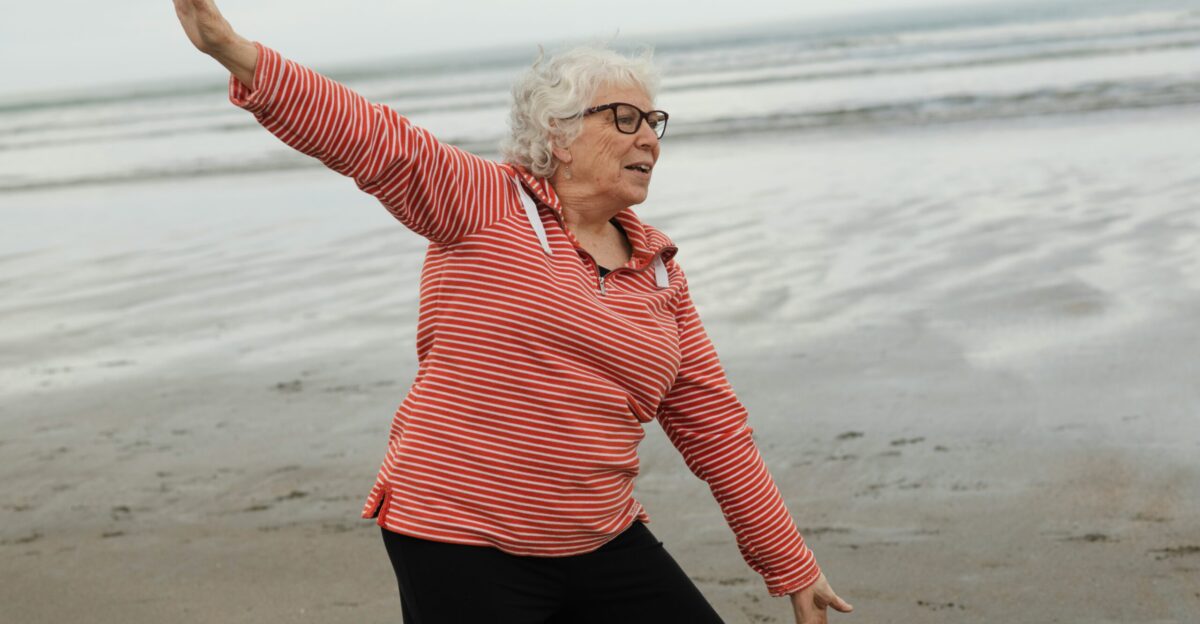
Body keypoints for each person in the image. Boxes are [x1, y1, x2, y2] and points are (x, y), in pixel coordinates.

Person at [173, 1, 854, 622]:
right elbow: (376, 139)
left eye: (655, 121)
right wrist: (231, 48)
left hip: (599, 537)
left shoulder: (658, 270)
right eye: (625, 118)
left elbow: (715, 427)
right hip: (459, 538)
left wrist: (791, 566)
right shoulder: (487, 206)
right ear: (557, 135)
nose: (649, 137)